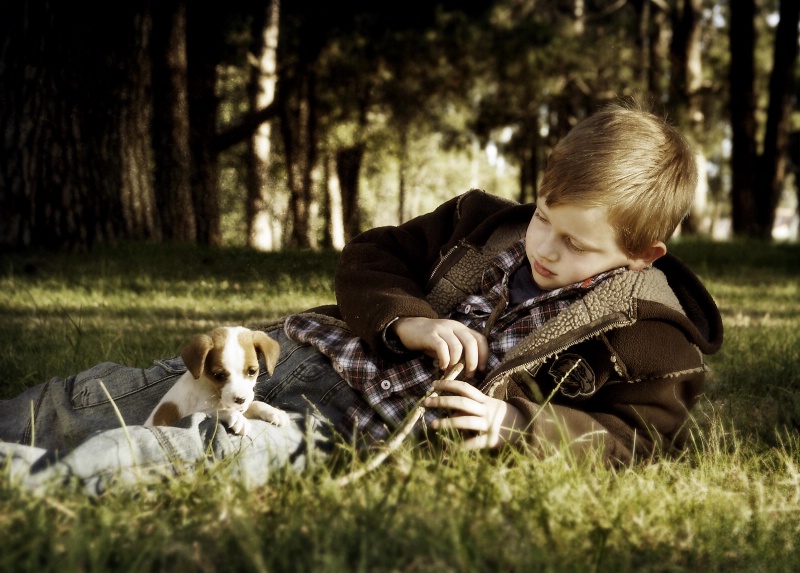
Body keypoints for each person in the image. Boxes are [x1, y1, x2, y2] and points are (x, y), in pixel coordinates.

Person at [0, 104, 723, 494]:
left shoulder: (653, 335)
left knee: (193, 447)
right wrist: (409, 318)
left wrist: (517, 420)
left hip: (348, 430)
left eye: (576, 244)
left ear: (639, 253)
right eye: (543, 216)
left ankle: (31, 483)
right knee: (116, 393)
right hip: (305, 357)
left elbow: (642, 437)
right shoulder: (481, 223)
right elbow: (372, 258)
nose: (545, 246)